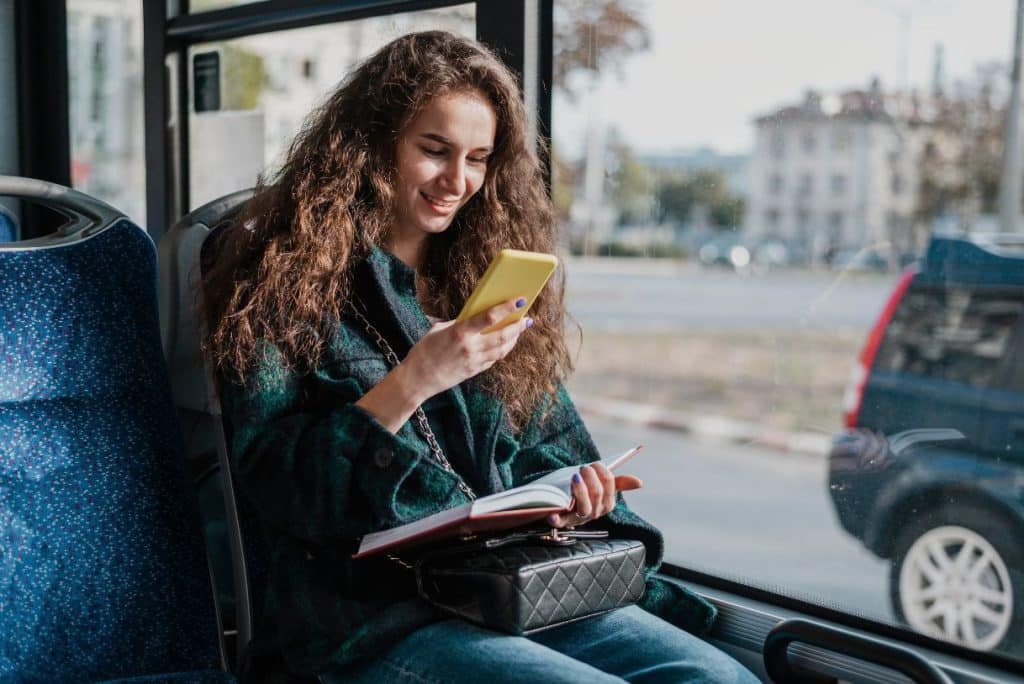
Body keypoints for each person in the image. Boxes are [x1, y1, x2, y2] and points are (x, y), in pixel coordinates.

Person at [203, 31, 759, 684]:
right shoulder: (277, 278)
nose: (457, 181)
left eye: (478, 158)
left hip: (510, 586)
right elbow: (275, 483)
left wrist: (576, 499)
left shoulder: (481, 275)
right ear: (376, 141)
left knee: (723, 679)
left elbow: (547, 445)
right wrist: (413, 381)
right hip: (371, 615)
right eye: (433, 151)